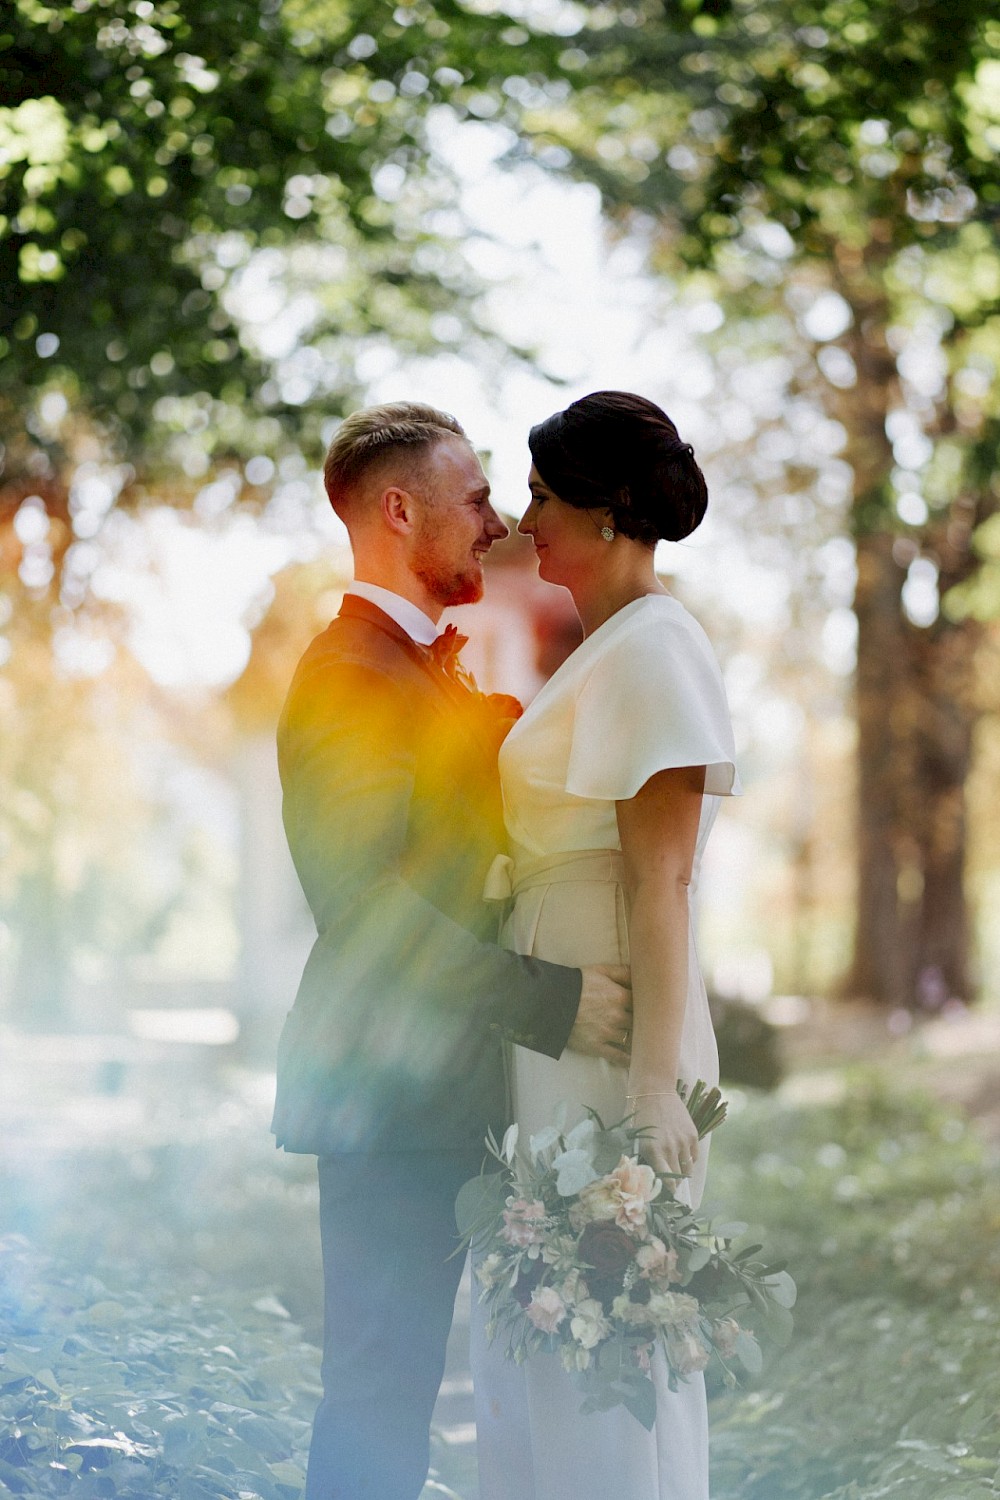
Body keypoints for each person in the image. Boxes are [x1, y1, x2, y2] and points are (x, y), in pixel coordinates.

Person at [269, 401, 633, 1500]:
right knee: (382, 1388)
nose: (494, 524)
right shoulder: (348, 676)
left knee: (489, 1379)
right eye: (472, 499)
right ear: (397, 509)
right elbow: (365, 907)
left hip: (464, 1084)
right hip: (388, 1097)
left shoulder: (424, 665)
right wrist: (549, 1001)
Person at [471, 391, 741, 1500]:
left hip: (615, 1042)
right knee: (548, 1329)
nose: (526, 519)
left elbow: (662, 877)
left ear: (611, 507)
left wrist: (651, 1086)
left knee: (600, 1338)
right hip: (557, 1029)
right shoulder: (606, 647)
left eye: (542, 496)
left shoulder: (652, 649)